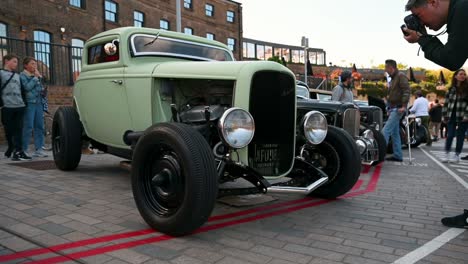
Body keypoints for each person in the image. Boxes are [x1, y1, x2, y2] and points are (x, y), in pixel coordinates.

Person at [403, 0, 468, 71]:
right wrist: (423, 37)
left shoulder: (463, 9)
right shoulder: (461, 7)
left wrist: (421, 39)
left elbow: (452, 60)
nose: (421, 23)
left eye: (418, 16)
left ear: (433, 2)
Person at [0, 54, 31, 161]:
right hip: (7, 106)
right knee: (9, 130)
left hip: (19, 106)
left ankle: (19, 151)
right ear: (6, 61)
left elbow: (22, 90)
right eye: (14, 61)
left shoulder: (17, 75)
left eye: (17, 62)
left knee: (18, 129)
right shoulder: (1, 73)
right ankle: (11, 148)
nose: (16, 64)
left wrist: (25, 103)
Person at [381, 60, 410, 162]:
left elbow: (406, 91)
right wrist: (389, 107)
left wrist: (403, 105)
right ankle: (398, 155)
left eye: (386, 68)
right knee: (394, 133)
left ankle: (380, 154)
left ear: (391, 68)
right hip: (394, 107)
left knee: (385, 131)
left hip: (398, 108)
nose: (385, 70)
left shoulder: (400, 76)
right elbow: (392, 95)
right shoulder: (394, 78)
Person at [20, 57, 47, 157]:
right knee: (28, 126)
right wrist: (36, 79)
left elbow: (40, 89)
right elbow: (27, 89)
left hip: (39, 103)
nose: (34, 66)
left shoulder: (36, 75)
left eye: (35, 64)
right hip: (29, 103)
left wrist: (39, 79)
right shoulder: (22, 75)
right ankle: (24, 149)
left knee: (39, 126)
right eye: (32, 64)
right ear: (25, 65)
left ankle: (39, 149)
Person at [440, 69, 468, 164]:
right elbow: (446, 103)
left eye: (464, 74)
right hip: (451, 115)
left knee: (460, 136)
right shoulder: (451, 89)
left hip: (463, 116)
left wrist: (466, 115)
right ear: (455, 76)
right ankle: (446, 153)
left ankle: (456, 155)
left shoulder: (467, 88)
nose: (463, 76)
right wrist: (444, 116)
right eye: (460, 74)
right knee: (450, 135)